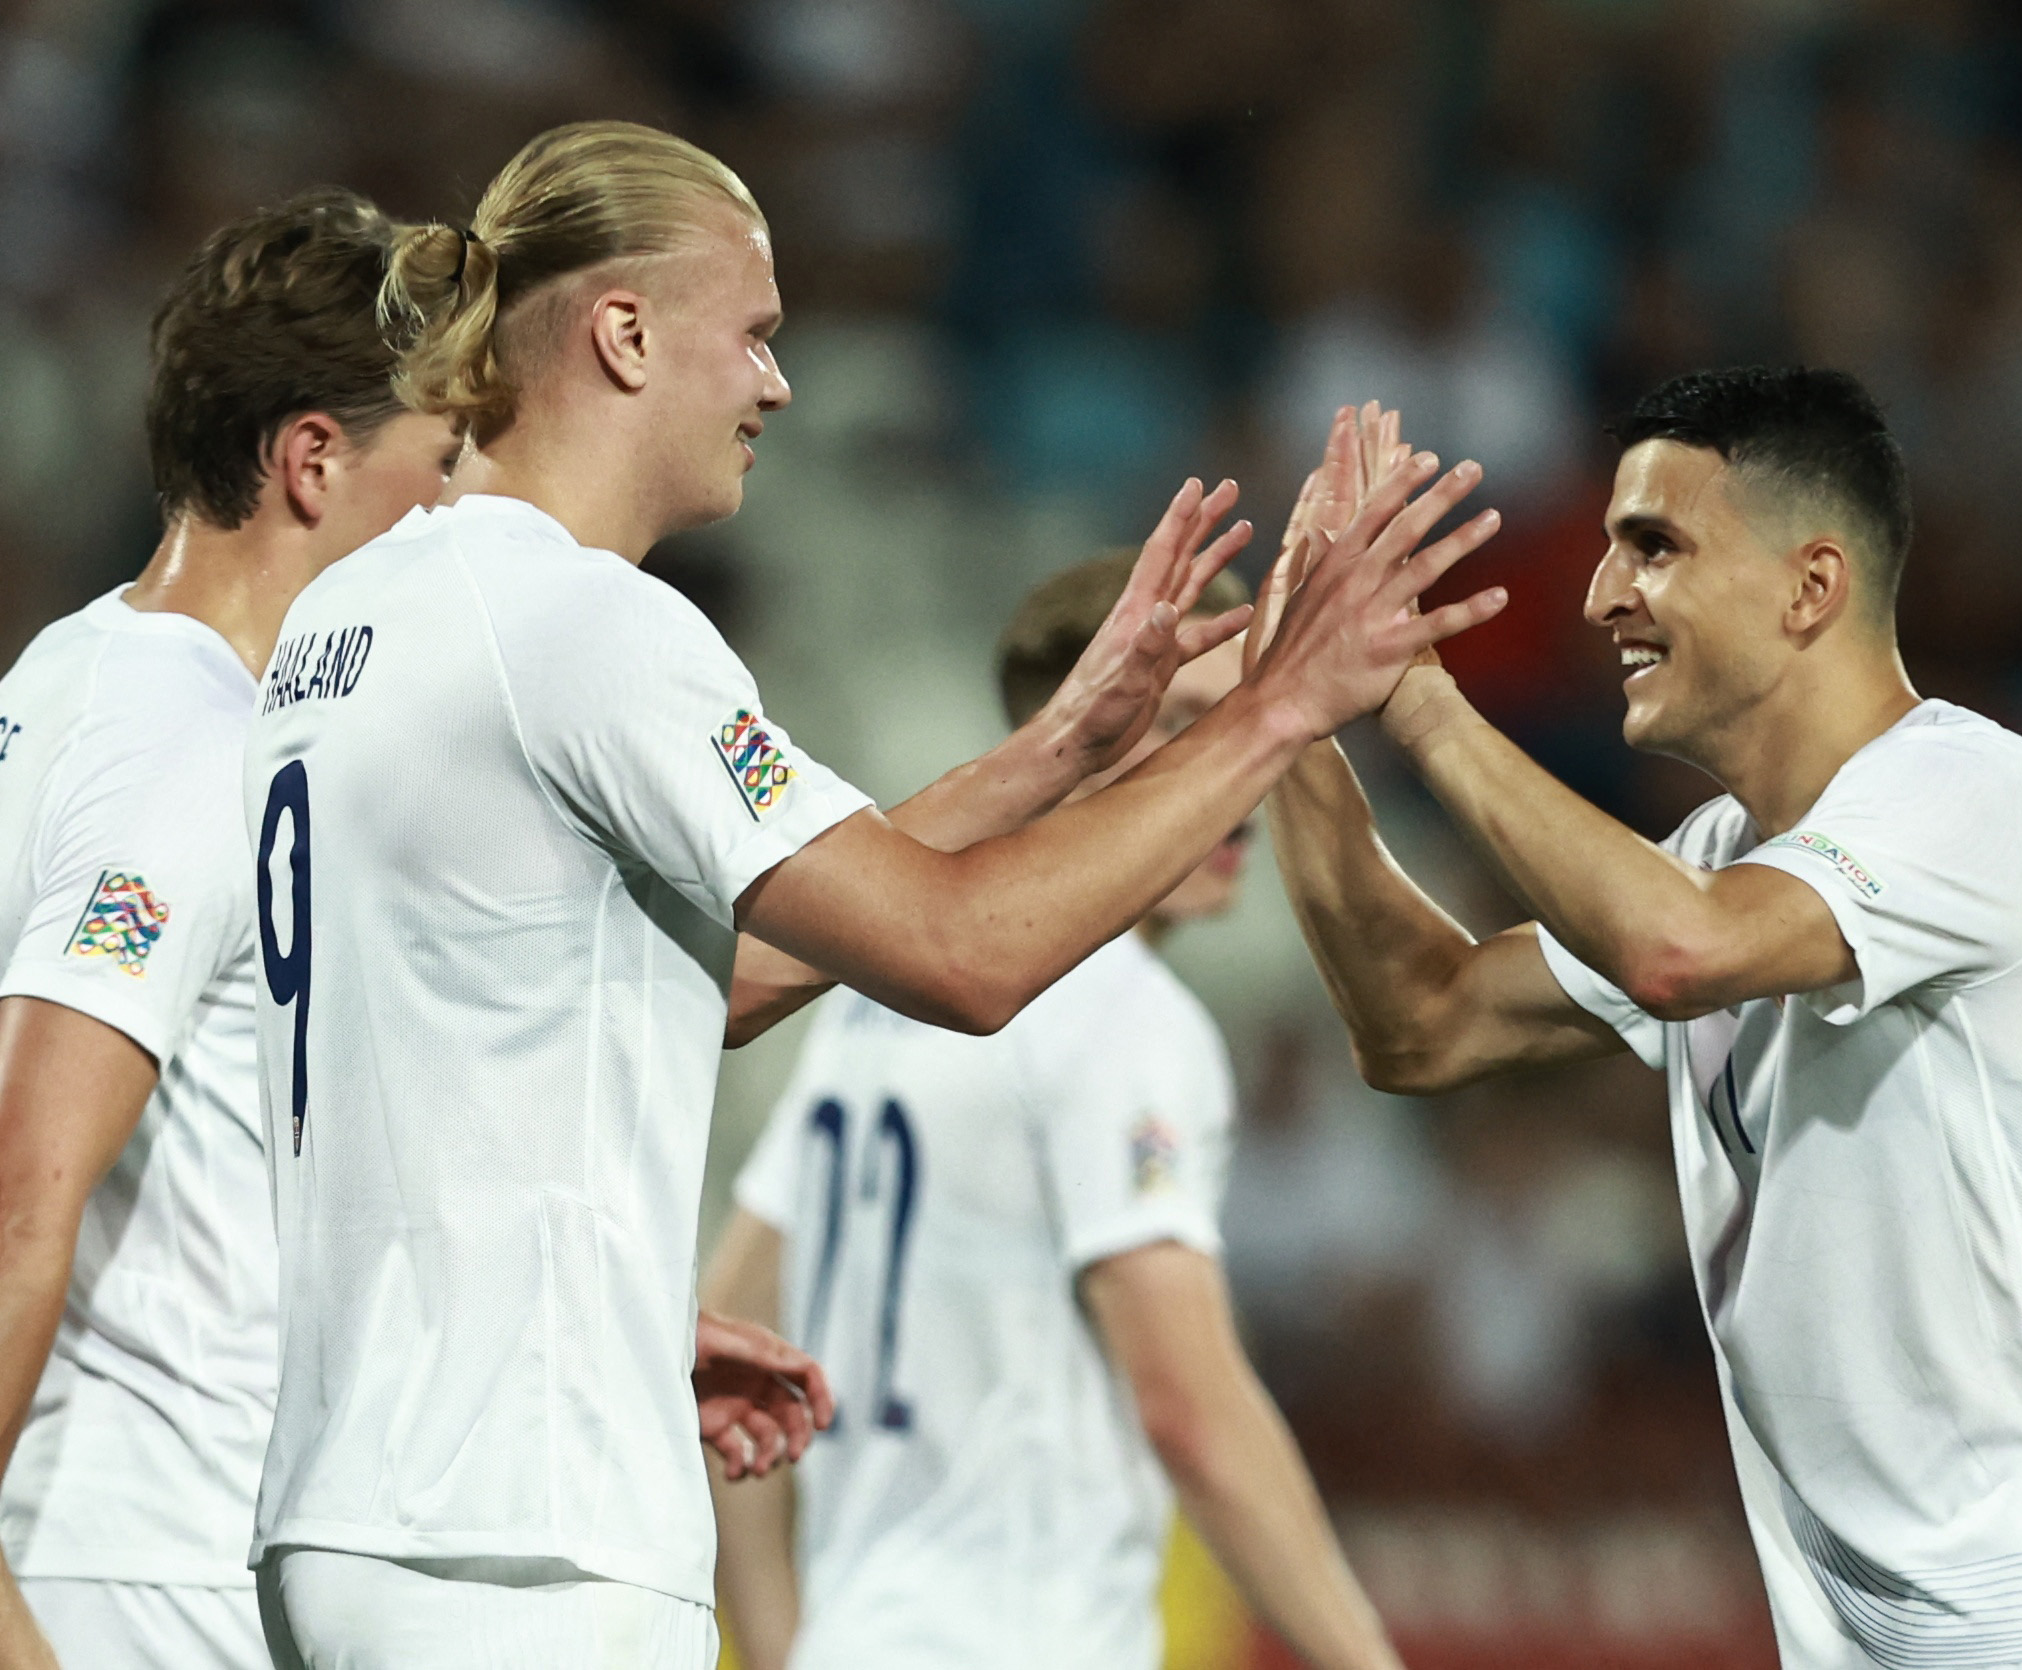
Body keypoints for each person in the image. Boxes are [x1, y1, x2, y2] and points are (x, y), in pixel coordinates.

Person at [242, 119, 1504, 1670]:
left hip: (355, 1505)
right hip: (521, 1533)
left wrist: (1054, 754)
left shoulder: (350, 614)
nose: (778, 385)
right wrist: (1277, 706)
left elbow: (685, 985)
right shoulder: (586, 628)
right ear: (624, 332)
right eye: (757, 334)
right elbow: (963, 956)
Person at [1264, 375, 2022, 1670]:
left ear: (1811, 586)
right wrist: (1288, 718)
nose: (1603, 595)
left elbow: (1681, 950)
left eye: (1656, 546)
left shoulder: (1971, 792)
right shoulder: (1731, 855)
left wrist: (1425, 700)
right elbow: (1422, 1021)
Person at [704, 552, 1405, 1670]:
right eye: (1171, 721)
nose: (1226, 775)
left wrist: (787, 1642)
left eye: (1235, 725)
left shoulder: (867, 1006)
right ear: (1068, 738)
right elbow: (1191, 1409)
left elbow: (728, 1339)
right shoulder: (1124, 1009)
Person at [0, 191, 461, 1670]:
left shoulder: (66, 678)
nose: (463, 513)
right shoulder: (189, 743)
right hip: (129, 1563)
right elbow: (22, 1177)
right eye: (442, 461)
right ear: (313, 459)